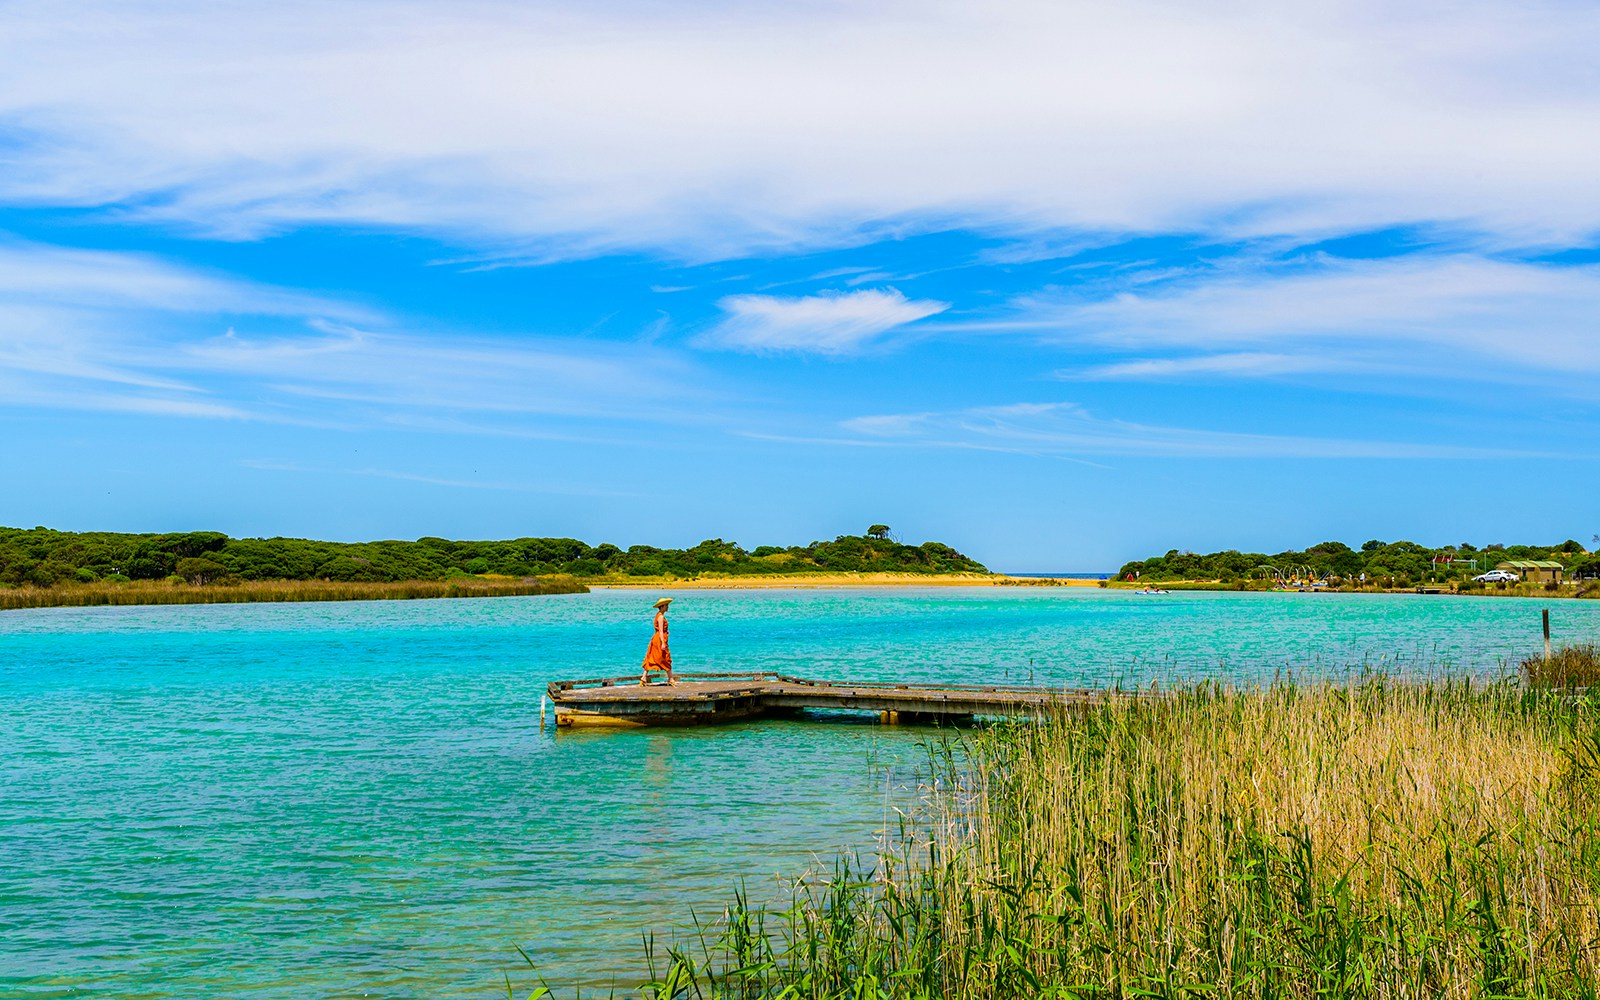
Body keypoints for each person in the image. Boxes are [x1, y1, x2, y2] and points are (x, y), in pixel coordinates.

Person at [640, 597, 676, 686]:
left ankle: (643, 678)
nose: (667, 607)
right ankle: (671, 679)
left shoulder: (659, 615)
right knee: (665, 657)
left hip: (657, 638)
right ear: (662, 606)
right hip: (659, 639)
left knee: (652, 657)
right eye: (666, 605)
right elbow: (660, 630)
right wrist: (663, 642)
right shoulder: (660, 617)